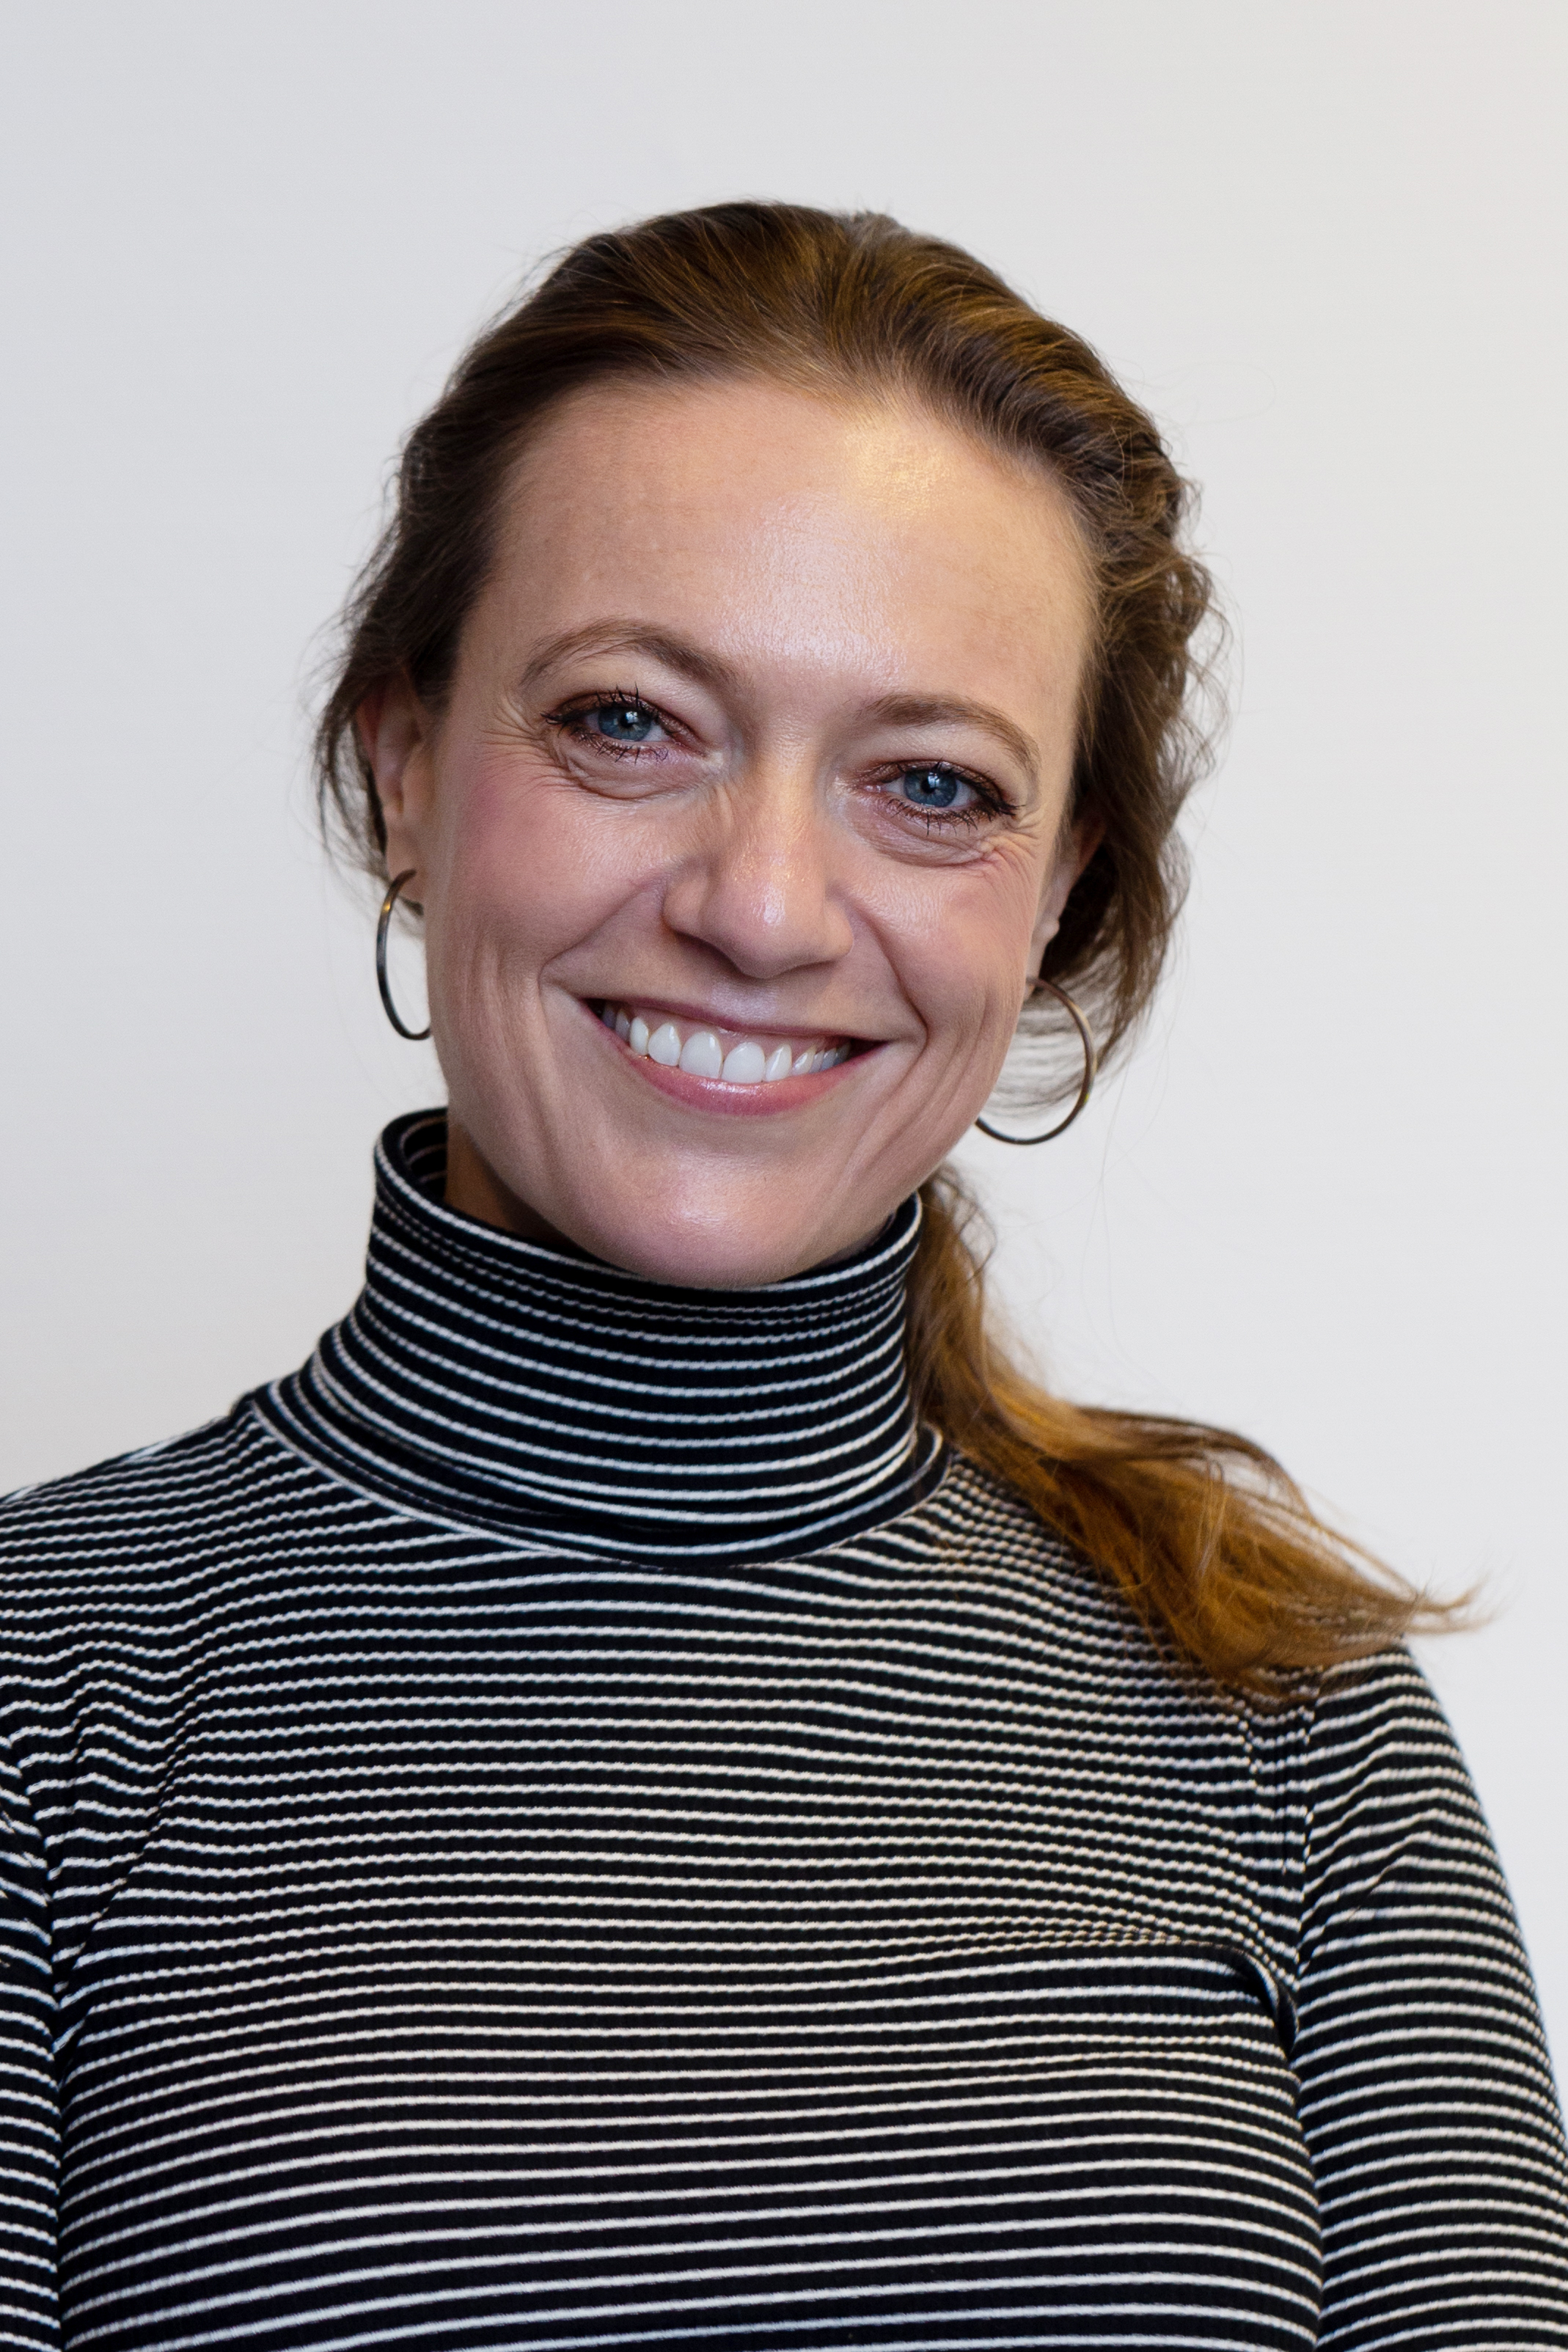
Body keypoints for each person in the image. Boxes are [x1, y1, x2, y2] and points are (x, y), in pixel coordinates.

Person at [1, 200, 1564, 2352]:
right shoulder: (39, 1690)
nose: (761, 908)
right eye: (632, 723)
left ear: (1054, 890)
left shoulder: (1290, 1719)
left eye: (929, 785)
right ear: (403, 767)